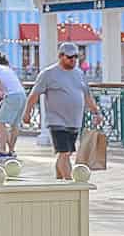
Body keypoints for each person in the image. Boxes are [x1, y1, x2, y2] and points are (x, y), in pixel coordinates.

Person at [23, 42, 99, 179]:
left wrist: (96, 112)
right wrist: (27, 112)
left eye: (76, 57)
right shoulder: (48, 74)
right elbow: (34, 94)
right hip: (56, 120)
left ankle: (59, 180)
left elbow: (87, 96)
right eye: (70, 57)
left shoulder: (79, 74)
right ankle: (69, 183)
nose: (73, 60)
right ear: (60, 56)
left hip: (75, 121)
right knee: (64, 152)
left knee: (67, 153)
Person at [0, 51, 26, 160]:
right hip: (22, 95)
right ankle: (11, 150)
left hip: (12, 96)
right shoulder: (5, 68)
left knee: (0, 123)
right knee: (15, 125)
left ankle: (2, 150)